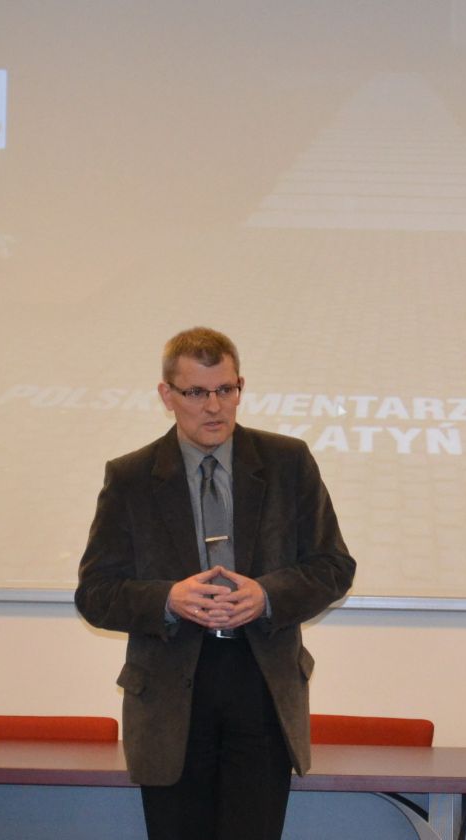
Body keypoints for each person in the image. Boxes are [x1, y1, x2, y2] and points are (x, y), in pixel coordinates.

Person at [75, 326, 355, 840]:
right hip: (170, 696)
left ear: (240, 387)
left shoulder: (287, 462)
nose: (214, 406)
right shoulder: (131, 477)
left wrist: (267, 596)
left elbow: (333, 566)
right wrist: (168, 598)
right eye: (196, 392)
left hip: (261, 686)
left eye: (226, 389)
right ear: (167, 395)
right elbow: (95, 592)